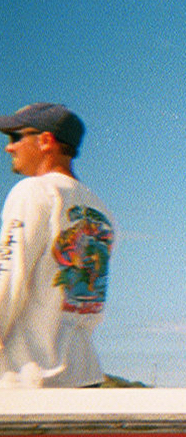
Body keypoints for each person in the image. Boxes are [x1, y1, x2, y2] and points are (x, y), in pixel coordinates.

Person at [1, 103, 114, 388]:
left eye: (15, 138)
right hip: (84, 373)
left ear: (45, 141)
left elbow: (7, 279)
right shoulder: (101, 212)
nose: (8, 148)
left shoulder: (33, 192)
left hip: (28, 376)